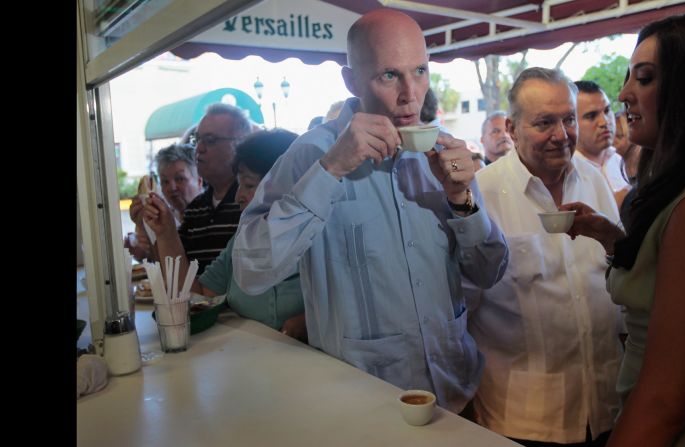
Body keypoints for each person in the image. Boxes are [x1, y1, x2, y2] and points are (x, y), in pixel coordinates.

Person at [231, 9, 509, 413]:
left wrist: (461, 201)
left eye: (420, 71)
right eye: (389, 75)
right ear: (352, 81)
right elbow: (251, 271)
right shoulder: (313, 153)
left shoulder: (444, 152)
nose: (411, 95)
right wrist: (332, 170)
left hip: (455, 393)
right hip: (362, 406)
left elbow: (490, 272)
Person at [561, 11, 685, 447]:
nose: (625, 92)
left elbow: (664, 402)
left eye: (644, 78)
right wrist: (615, 240)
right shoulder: (679, 189)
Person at [467, 67, 623, 446]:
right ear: (511, 128)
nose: (561, 134)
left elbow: (619, 275)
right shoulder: (481, 195)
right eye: (544, 122)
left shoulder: (594, 179)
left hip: (607, 408)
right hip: (522, 419)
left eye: (568, 119)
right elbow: (460, 309)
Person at [143, 129, 307, 340]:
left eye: (248, 185)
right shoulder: (242, 241)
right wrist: (166, 233)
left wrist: (308, 321)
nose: (238, 196)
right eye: (239, 185)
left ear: (286, 186)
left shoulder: (323, 239)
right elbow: (197, 296)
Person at [176, 103, 253, 274]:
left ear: (239, 145)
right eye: (197, 140)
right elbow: (175, 267)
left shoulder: (250, 202)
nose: (199, 148)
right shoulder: (196, 208)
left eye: (210, 140)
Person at [125, 144, 204, 262]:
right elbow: (167, 265)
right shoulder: (165, 216)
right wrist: (143, 251)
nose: (172, 187)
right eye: (165, 181)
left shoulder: (207, 217)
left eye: (180, 179)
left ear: (199, 181)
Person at [573, 80, 631, 208]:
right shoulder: (568, 173)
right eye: (591, 116)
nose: (604, 122)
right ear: (571, 122)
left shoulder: (620, 160)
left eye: (607, 111)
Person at [612, 111, 640, 183]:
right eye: (611, 135)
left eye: (619, 136)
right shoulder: (611, 164)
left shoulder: (650, 166)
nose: (612, 141)